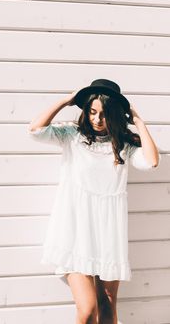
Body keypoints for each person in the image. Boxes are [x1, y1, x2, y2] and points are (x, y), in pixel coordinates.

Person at [28, 79, 161, 324]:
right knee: (88, 311)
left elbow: (152, 162)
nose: (97, 119)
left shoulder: (123, 146)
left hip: (108, 236)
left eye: (103, 114)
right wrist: (65, 101)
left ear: (115, 115)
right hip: (75, 233)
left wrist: (139, 122)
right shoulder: (72, 136)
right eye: (92, 112)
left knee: (108, 307)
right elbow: (35, 130)